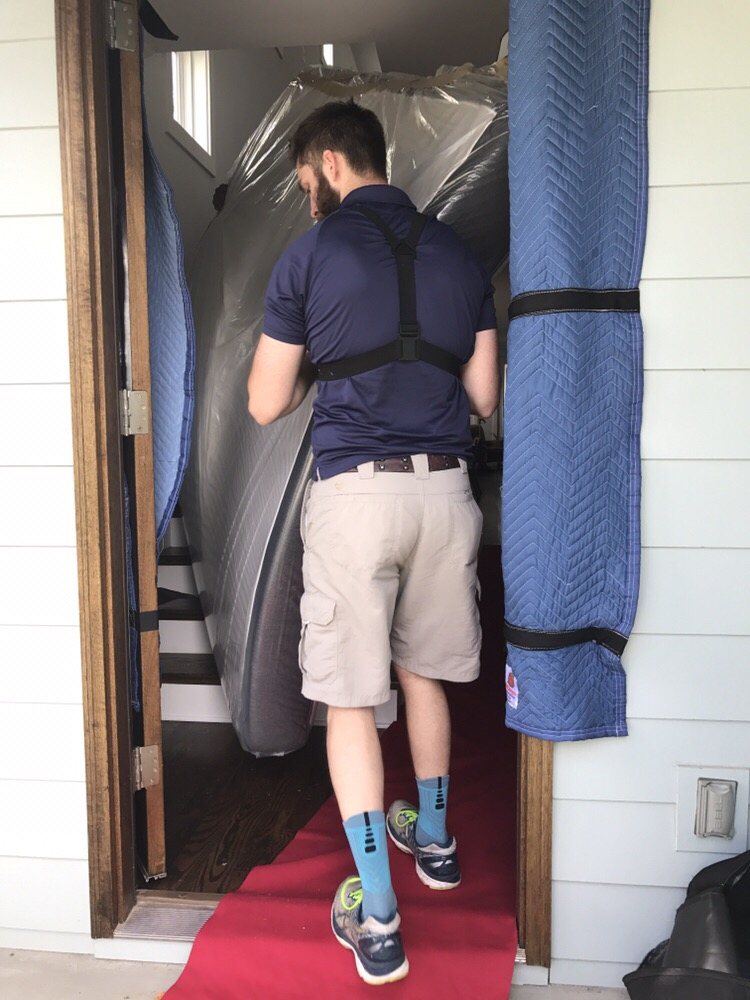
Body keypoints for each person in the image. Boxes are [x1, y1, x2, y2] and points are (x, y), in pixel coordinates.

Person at [247, 99, 499, 987]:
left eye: (303, 180)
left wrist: (322, 365)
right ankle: (435, 842)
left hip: (357, 497)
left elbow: (265, 402)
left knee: (350, 698)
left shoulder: (309, 255)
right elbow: (485, 396)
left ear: (328, 163)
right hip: (446, 494)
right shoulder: (460, 254)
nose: (305, 195)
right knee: (421, 670)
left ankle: (380, 918)